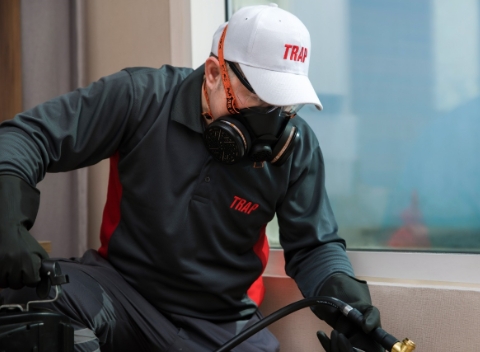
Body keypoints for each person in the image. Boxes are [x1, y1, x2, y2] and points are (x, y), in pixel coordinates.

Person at [0, 4, 383, 352]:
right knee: (27, 304)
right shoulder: (142, 98)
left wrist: (344, 298)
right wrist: (7, 214)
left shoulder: (295, 148)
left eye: (284, 105)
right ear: (215, 73)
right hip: (121, 292)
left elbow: (314, 247)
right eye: (261, 101)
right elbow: (28, 137)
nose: (273, 122)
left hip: (221, 322)